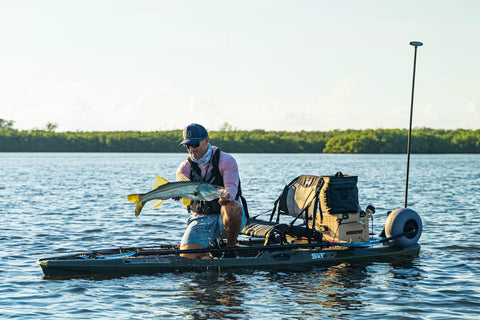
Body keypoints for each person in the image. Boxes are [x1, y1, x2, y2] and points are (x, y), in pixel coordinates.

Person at [176, 123, 248, 259]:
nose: (192, 149)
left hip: (226, 218)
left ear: (207, 140)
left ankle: (230, 250)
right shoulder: (184, 168)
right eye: (187, 146)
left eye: (195, 144)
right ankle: (208, 250)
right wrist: (177, 195)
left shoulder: (226, 160)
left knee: (231, 206)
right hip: (200, 218)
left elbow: (232, 186)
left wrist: (227, 196)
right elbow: (181, 189)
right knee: (187, 256)